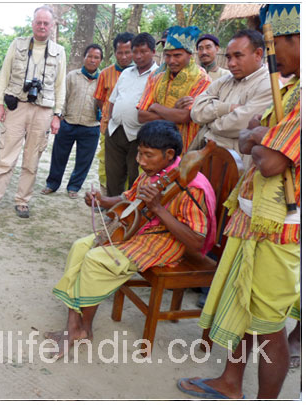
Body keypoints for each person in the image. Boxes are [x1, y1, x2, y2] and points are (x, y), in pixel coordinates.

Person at [178, 4, 300, 399]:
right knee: (242, 304)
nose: (272, 55)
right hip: (251, 213)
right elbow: (249, 134)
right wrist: (259, 134)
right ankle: (230, 381)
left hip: (281, 222)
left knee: (267, 322)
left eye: (274, 44)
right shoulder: (289, 88)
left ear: (295, 39)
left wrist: (257, 135)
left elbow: (268, 162)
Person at [45, 120, 216, 359]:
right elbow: (129, 198)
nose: (140, 161)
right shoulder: (153, 173)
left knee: (95, 258)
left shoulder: (191, 187)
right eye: (139, 153)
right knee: (80, 247)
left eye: (148, 155)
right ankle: (74, 327)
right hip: (137, 230)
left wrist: (158, 209)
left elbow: (197, 242)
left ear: (169, 155)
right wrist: (101, 201)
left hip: (166, 243)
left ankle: (84, 328)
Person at [0, 6, 66, 220]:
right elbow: (4, 73)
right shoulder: (18, 44)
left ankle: (22, 201)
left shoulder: (59, 51)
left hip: (43, 110)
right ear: (33, 23)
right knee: (6, 157)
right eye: (38, 22)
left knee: (32, 159)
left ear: (52, 26)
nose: (42, 26)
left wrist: (57, 114)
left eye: (46, 23)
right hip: (17, 106)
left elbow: (61, 86)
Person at [190, 30, 272, 161]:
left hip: (235, 168)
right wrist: (228, 108)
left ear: (258, 54)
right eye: (228, 57)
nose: (231, 63)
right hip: (204, 157)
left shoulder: (269, 85)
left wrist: (209, 123)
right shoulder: (224, 81)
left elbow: (239, 124)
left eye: (238, 56)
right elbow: (196, 112)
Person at [41, 44, 103, 199]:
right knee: (58, 156)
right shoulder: (71, 76)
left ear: (100, 60)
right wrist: (59, 117)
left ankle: (74, 187)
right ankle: (52, 184)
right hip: (68, 123)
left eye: (96, 57)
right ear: (84, 57)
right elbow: (63, 97)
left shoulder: (103, 79)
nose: (92, 60)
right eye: (89, 56)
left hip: (91, 126)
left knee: (84, 161)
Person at [137, 26, 212, 153]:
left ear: (189, 54)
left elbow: (185, 116)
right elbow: (141, 116)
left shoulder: (202, 79)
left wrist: (156, 106)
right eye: (167, 55)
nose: (171, 61)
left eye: (177, 55)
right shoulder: (156, 77)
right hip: (155, 147)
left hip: (185, 149)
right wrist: (173, 112)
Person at [104, 32, 159, 197]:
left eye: (144, 51)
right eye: (135, 52)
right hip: (115, 131)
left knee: (136, 176)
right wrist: (110, 121)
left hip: (139, 135)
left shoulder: (159, 76)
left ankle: (132, 213)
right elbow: (113, 99)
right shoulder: (127, 72)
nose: (138, 56)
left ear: (153, 52)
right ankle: (113, 211)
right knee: (113, 174)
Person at [93, 32, 134, 194]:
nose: (123, 57)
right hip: (108, 128)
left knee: (129, 166)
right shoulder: (105, 74)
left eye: (127, 52)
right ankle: (106, 197)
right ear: (115, 53)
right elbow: (99, 99)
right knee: (106, 164)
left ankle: (124, 200)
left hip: (131, 130)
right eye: (120, 52)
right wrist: (111, 114)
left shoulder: (144, 74)